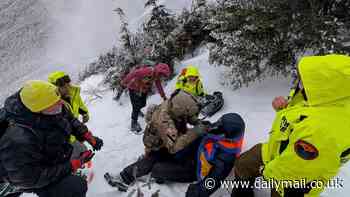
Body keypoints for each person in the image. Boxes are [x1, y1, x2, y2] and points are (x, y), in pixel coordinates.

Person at [231, 54, 350, 197]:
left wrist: (267, 172)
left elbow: (294, 168)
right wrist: (283, 108)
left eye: (305, 79)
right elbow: (302, 114)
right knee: (243, 165)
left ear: (323, 83)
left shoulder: (324, 130)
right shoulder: (322, 97)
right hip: (275, 151)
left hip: (294, 183)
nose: (299, 81)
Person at [0, 80, 103, 197]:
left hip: (48, 154)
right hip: (29, 174)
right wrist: (71, 166)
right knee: (75, 188)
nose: (60, 106)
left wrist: (86, 135)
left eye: (59, 102)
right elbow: (28, 178)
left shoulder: (50, 104)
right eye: (54, 106)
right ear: (38, 111)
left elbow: (68, 118)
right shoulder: (17, 140)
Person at [107, 90, 207, 189]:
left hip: (167, 136)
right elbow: (173, 147)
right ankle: (124, 177)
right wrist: (195, 132)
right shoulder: (164, 119)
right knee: (154, 158)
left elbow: (186, 115)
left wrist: (198, 123)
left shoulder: (175, 103)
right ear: (180, 109)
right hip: (158, 144)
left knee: (184, 144)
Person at [186, 113, 245, 197]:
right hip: (197, 153)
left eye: (221, 124)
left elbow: (214, 179)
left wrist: (196, 193)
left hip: (196, 169)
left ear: (226, 133)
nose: (218, 124)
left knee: (162, 170)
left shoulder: (226, 157)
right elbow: (216, 127)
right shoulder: (229, 133)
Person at [121, 62, 171, 133]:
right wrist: (124, 82)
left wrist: (163, 96)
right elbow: (134, 73)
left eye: (163, 76)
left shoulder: (156, 76)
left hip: (143, 89)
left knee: (143, 104)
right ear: (158, 71)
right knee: (136, 106)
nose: (161, 77)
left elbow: (159, 86)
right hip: (133, 87)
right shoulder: (148, 71)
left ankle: (138, 111)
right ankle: (134, 123)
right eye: (161, 74)